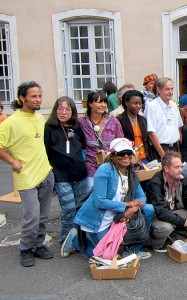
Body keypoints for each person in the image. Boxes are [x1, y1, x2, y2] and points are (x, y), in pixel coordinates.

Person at [61, 138, 155, 259]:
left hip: (117, 215)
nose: (126, 156)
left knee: (149, 209)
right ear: (113, 155)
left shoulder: (131, 172)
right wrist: (128, 205)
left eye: (129, 153)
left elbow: (141, 196)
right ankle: (76, 240)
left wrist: (134, 209)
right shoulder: (104, 170)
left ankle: (133, 250)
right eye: (121, 153)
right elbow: (100, 202)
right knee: (106, 259)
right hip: (99, 218)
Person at [0, 81, 54, 267]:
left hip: (46, 174)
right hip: (26, 177)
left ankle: (38, 245)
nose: (38, 99)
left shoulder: (40, 118)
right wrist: (12, 161)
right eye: (33, 96)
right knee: (31, 216)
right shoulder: (11, 122)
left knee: (44, 216)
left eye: (39, 95)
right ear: (22, 98)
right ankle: (25, 249)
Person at [44, 96, 88, 243]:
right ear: (55, 111)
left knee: (80, 208)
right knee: (68, 209)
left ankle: (80, 238)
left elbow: (82, 145)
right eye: (60, 109)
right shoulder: (49, 128)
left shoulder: (76, 127)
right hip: (61, 176)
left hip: (80, 174)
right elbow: (46, 151)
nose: (64, 112)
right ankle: (66, 239)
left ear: (73, 111)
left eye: (68, 109)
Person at [79, 90, 124, 190]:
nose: (103, 105)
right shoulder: (82, 122)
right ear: (90, 103)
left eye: (104, 102)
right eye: (99, 102)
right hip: (91, 167)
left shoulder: (113, 121)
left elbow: (121, 143)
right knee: (92, 195)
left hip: (111, 166)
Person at [145, 77, 183, 159]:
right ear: (159, 90)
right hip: (160, 149)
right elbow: (151, 133)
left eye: (172, 89)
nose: (170, 92)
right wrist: (162, 154)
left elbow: (178, 128)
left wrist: (179, 151)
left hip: (174, 148)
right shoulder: (152, 106)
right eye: (167, 89)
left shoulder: (174, 105)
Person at [116, 90, 151, 162]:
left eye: (140, 103)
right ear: (126, 103)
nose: (138, 106)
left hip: (145, 158)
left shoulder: (142, 120)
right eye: (135, 103)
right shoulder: (119, 120)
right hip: (129, 159)